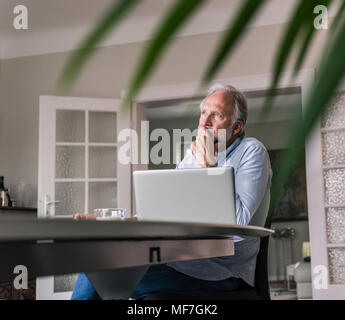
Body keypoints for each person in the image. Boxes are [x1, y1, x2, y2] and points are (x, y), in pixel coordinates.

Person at [71, 83, 272, 300]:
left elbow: (239, 222)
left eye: (217, 115)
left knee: (102, 272)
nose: (204, 122)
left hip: (223, 270)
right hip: (181, 259)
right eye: (204, 112)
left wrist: (209, 167)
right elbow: (169, 211)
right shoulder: (192, 156)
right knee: (98, 262)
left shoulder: (251, 151)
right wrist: (121, 223)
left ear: (237, 127)